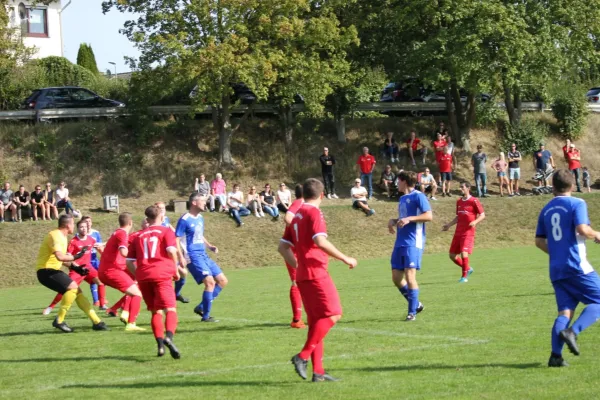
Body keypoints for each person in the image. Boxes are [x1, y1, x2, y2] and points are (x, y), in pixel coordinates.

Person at [279, 178, 357, 382]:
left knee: (315, 323)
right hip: (316, 273)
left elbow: (282, 247)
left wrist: (297, 265)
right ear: (322, 195)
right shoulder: (314, 212)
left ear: (303, 194)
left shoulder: (296, 216)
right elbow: (320, 241)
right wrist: (344, 257)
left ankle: (318, 372)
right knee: (334, 314)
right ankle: (302, 356)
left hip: (303, 275)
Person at [535, 169, 600, 368]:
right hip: (576, 265)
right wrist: (596, 233)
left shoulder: (546, 209)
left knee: (565, 312)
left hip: (556, 268)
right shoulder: (577, 203)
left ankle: (556, 357)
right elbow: (582, 229)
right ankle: (573, 332)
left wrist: (556, 254)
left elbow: (539, 241)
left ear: (552, 187)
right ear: (572, 186)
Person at [35, 215, 108, 332]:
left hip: (52, 270)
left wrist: (77, 268)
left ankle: (97, 322)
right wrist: (76, 256)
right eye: (73, 224)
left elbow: (63, 259)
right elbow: (60, 257)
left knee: (77, 292)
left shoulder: (63, 237)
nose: (74, 226)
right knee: (73, 288)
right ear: (68, 225)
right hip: (46, 271)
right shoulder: (56, 235)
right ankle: (59, 320)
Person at [127, 206, 181, 359]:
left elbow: (129, 261)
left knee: (155, 311)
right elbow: (171, 251)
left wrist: (138, 274)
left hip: (144, 276)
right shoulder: (166, 231)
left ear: (147, 219)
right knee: (170, 309)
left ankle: (160, 346)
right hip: (161, 274)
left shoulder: (138, 236)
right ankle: (169, 337)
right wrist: (175, 269)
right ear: (161, 217)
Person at [176, 193, 228, 323]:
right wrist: (180, 256)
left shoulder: (200, 218)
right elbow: (176, 239)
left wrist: (209, 246)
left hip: (203, 254)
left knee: (222, 281)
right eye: (203, 201)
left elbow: (199, 235)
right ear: (194, 202)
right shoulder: (185, 219)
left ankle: (201, 307)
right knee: (210, 282)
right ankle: (206, 316)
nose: (205, 203)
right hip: (192, 255)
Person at [388, 171, 431, 321]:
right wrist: (394, 221)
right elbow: (403, 218)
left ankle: (411, 313)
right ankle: (416, 304)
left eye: (398, 181)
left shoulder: (418, 195)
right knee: (396, 278)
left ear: (404, 181)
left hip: (414, 241)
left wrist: (409, 219)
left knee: (410, 276)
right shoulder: (402, 198)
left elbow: (428, 216)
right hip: (400, 241)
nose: (396, 184)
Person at [98, 212, 145, 331]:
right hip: (111, 271)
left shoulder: (117, 232)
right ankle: (131, 324)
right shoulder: (122, 233)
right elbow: (124, 252)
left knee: (135, 288)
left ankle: (124, 313)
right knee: (137, 294)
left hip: (108, 270)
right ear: (130, 223)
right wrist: (138, 256)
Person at [442, 182, 485, 283]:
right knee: (452, 255)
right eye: (460, 187)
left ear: (468, 188)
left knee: (464, 253)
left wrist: (475, 221)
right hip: (458, 232)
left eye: (462, 187)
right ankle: (468, 268)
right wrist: (448, 225)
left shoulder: (474, 201)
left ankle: (464, 277)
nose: (460, 189)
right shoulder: (459, 201)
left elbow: (482, 215)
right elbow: (458, 216)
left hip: (468, 232)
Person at [283, 184, 307, 328]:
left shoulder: (304, 204)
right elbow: (288, 217)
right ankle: (297, 319)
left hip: (297, 249)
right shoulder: (299, 203)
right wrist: (299, 234)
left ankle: (311, 315)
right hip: (293, 249)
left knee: (306, 281)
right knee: (296, 281)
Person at [81, 215, 105, 308]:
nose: (88, 223)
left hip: (95, 259)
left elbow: (100, 245)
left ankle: (102, 298)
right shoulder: (80, 235)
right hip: (86, 261)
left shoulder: (96, 233)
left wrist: (100, 249)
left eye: (89, 221)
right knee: (93, 281)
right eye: (86, 222)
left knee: (103, 278)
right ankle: (96, 300)